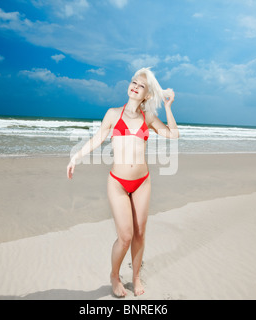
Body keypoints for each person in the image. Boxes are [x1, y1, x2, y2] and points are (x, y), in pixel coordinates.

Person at [66, 67, 179, 297]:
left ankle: (136, 276)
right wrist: (75, 157)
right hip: (117, 183)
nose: (135, 87)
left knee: (139, 234)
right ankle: (115, 275)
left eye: (141, 86)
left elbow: (173, 134)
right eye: (134, 82)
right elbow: (96, 140)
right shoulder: (113, 114)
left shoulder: (147, 117)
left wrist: (167, 108)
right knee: (125, 236)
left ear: (147, 95)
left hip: (142, 183)